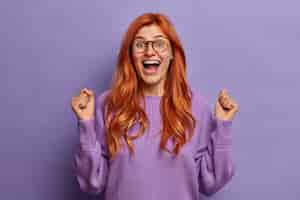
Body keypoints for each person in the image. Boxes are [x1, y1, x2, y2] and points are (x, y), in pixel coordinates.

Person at [70, 12, 239, 200]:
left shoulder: (196, 107)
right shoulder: (107, 105)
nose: (150, 52)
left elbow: (211, 183)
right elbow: (92, 183)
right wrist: (85, 123)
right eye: (140, 44)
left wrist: (223, 126)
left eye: (159, 43)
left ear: (173, 53)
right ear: (130, 55)